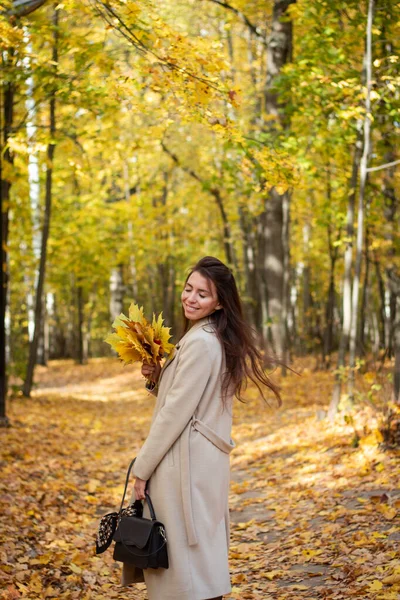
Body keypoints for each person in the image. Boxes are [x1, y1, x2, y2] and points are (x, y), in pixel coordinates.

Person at [121, 256, 280, 600]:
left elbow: (174, 414)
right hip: (200, 461)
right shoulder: (210, 337)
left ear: (219, 301)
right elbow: (185, 401)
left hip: (185, 463)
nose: (191, 298)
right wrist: (157, 380)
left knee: (185, 564)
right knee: (198, 556)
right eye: (188, 289)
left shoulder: (200, 342)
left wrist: (142, 468)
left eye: (202, 294)